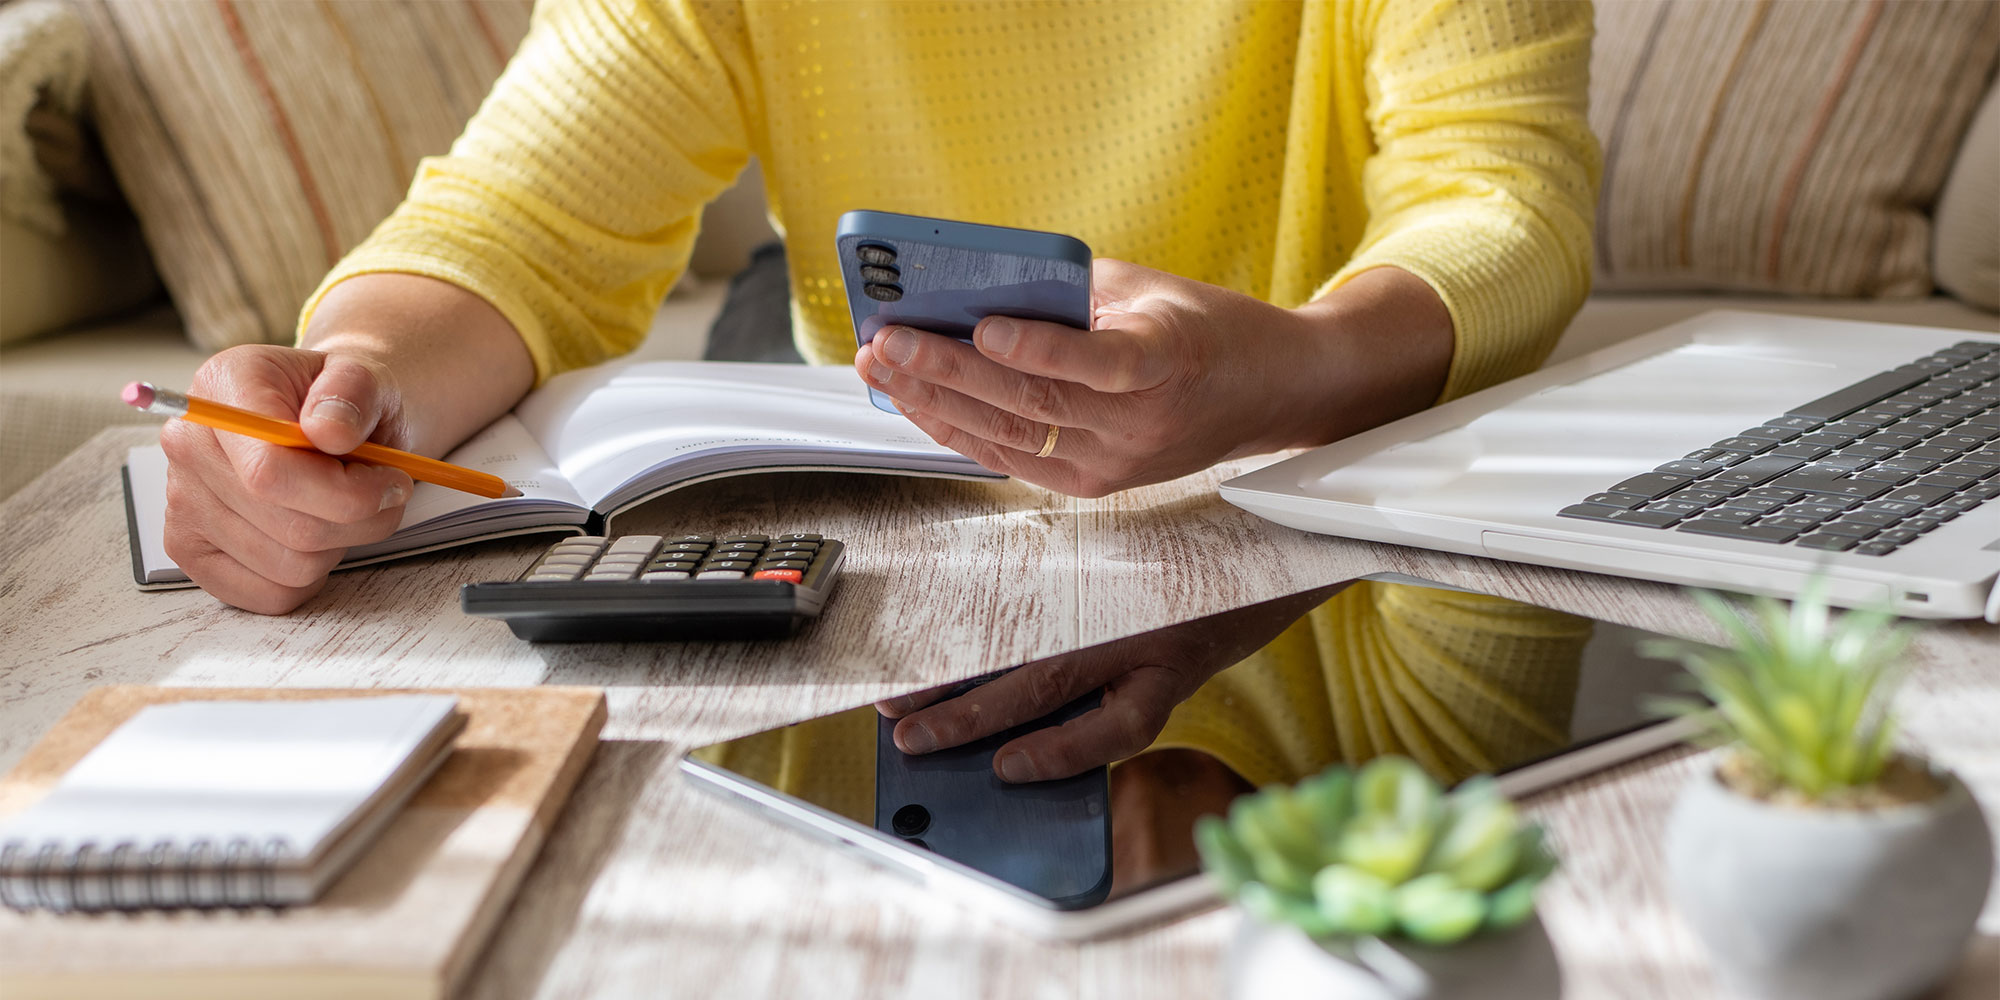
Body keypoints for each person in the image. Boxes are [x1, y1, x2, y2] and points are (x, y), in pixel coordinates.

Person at [160, 0, 1599, 776]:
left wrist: (1301, 365)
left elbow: (1504, 196)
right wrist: (353, 385)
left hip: (1333, 564)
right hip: (894, 560)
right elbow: (524, 219)